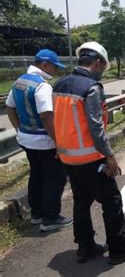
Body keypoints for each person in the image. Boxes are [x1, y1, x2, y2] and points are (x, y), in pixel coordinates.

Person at [53, 41, 125, 265]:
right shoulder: (91, 88)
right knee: (111, 201)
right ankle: (119, 249)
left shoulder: (60, 84)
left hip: (67, 157)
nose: (104, 70)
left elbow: (58, 121)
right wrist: (110, 156)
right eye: (104, 66)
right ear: (97, 62)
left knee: (81, 201)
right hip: (90, 157)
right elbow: (96, 126)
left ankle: (85, 247)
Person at [5, 49, 73, 232]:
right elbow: (46, 116)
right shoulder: (42, 86)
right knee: (56, 177)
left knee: (37, 175)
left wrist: (19, 128)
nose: (55, 71)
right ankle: (50, 218)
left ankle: (37, 214)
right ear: (45, 64)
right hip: (44, 141)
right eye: (54, 67)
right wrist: (58, 142)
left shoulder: (19, 82)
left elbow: (9, 107)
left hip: (26, 139)